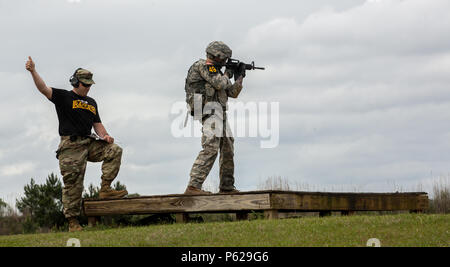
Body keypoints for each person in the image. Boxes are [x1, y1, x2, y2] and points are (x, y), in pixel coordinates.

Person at [25, 57, 127, 232]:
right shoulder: (64, 96)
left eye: (89, 85)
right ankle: (73, 222)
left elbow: (98, 125)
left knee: (114, 150)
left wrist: (106, 136)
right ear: (75, 82)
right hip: (70, 146)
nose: (88, 88)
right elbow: (43, 88)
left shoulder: (92, 103)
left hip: (89, 143)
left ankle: (105, 188)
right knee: (74, 185)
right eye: (85, 85)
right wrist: (33, 71)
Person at [184, 41, 244, 195]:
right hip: (208, 112)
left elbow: (232, 92)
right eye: (224, 59)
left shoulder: (217, 71)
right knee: (210, 147)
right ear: (218, 56)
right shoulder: (204, 66)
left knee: (228, 147)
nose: (225, 62)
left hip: (219, 113)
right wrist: (228, 73)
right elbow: (219, 83)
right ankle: (193, 186)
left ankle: (227, 187)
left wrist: (240, 77)